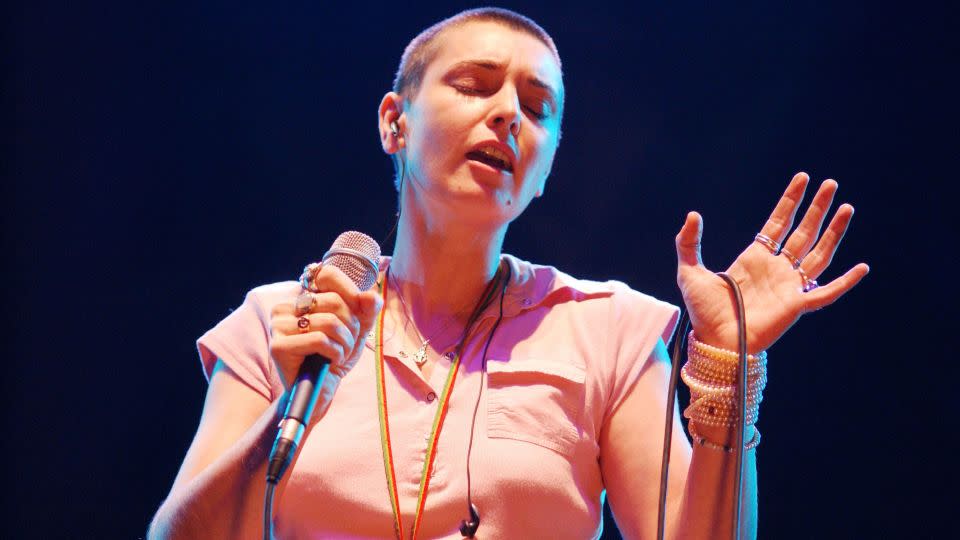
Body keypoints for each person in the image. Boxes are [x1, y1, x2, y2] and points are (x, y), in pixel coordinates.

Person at [148, 7, 868, 539]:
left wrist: (729, 368)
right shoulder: (288, 321)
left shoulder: (607, 330)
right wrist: (295, 398)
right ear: (394, 122)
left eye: (535, 107)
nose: (506, 116)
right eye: (475, 85)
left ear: (547, 167)